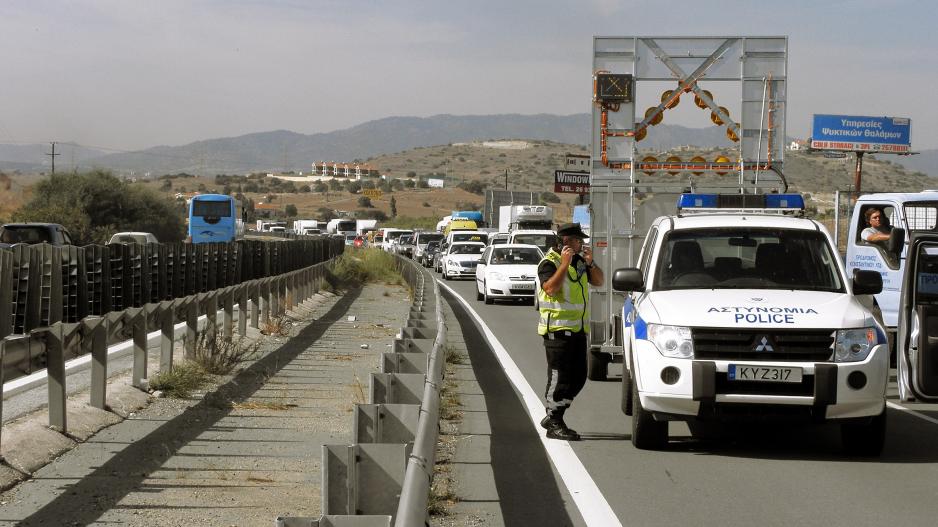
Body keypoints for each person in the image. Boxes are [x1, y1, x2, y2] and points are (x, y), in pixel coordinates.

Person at [536, 222, 604, 441]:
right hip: (557, 330)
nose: (581, 243)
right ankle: (554, 421)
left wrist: (590, 263)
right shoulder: (549, 263)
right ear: (566, 241)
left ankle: (554, 415)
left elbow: (599, 281)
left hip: (577, 330)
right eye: (577, 240)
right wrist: (563, 265)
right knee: (559, 378)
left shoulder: (578, 261)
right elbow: (550, 288)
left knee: (579, 377)